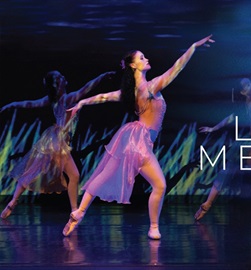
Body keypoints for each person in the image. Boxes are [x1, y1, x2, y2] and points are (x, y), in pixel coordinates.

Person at [62, 35, 215, 239]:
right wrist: (193, 47)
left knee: (104, 175)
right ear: (133, 66)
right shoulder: (150, 87)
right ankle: (153, 228)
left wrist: (81, 104)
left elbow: (103, 97)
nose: (146, 59)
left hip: (131, 138)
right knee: (159, 185)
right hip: (139, 141)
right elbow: (176, 69)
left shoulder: (129, 92)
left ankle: (79, 212)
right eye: (142, 58)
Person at [0, 70, 114, 219]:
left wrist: (12, 104)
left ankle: (13, 201)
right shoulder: (68, 98)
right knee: (74, 175)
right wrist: (102, 76)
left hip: (51, 139)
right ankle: (74, 210)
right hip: (58, 141)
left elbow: (30, 104)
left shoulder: (52, 100)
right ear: (58, 84)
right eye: (60, 77)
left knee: (32, 172)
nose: (63, 77)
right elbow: (87, 88)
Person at [194, 78, 251, 224]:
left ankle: (207, 204)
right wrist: (213, 128)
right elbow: (229, 119)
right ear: (243, 92)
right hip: (246, 144)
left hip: (248, 144)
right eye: (247, 85)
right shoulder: (247, 107)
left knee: (224, 175)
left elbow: (231, 119)